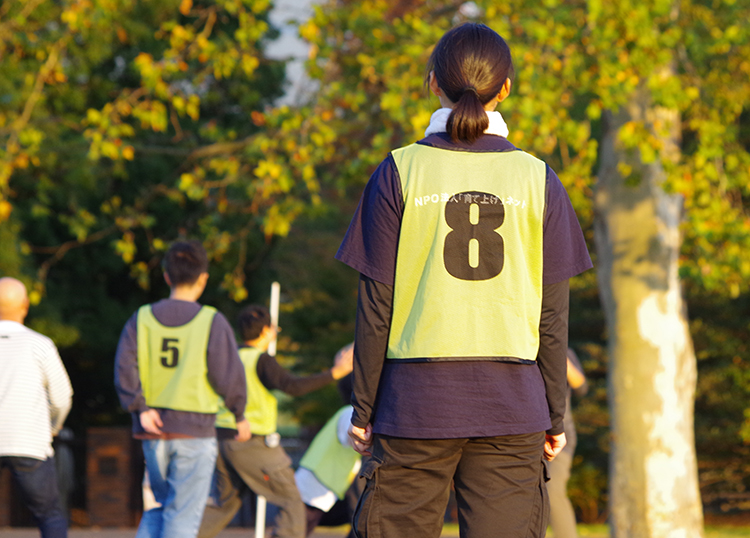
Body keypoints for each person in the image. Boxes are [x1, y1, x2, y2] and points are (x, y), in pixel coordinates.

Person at [336, 22, 593, 538]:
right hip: (512, 407)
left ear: (433, 83)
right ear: (507, 88)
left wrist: (362, 408)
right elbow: (551, 315)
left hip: (413, 406)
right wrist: (554, 416)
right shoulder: (538, 178)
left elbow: (376, 306)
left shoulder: (398, 171)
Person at [114, 240, 250, 538]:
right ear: (203, 278)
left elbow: (125, 367)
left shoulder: (142, 317)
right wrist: (239, 414)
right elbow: (227, 375)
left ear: (166, 276)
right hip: (194, 431)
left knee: (162, 507)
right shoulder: (210, 321)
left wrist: (140, 406)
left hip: (153, 430)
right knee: (182, 516)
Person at [197, 305, 353, 538]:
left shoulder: (227, 358)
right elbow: (293, 386)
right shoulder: (261, 360)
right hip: (251, 440)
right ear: (267, 332)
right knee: (292, 500)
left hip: (220, 438)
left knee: (225, 504)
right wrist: (335, 373)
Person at [0, 277, 73, 538]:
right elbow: (62, 397)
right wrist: (54, 427)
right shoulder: (40, 345)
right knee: (50, 514)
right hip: (29, 442)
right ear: (26, 305)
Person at [295, 374, 362, 538]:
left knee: (362, 515)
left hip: (322, 490)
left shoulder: (346, 412)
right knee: (293, 532)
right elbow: (352, 435)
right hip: (314, 489)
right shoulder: (350, 414)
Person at [547, 348, 588, 538]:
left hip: (560, 438)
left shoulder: (564, 350)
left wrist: (557, 355)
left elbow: (581, 386)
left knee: (553, 493)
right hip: (525, 436)